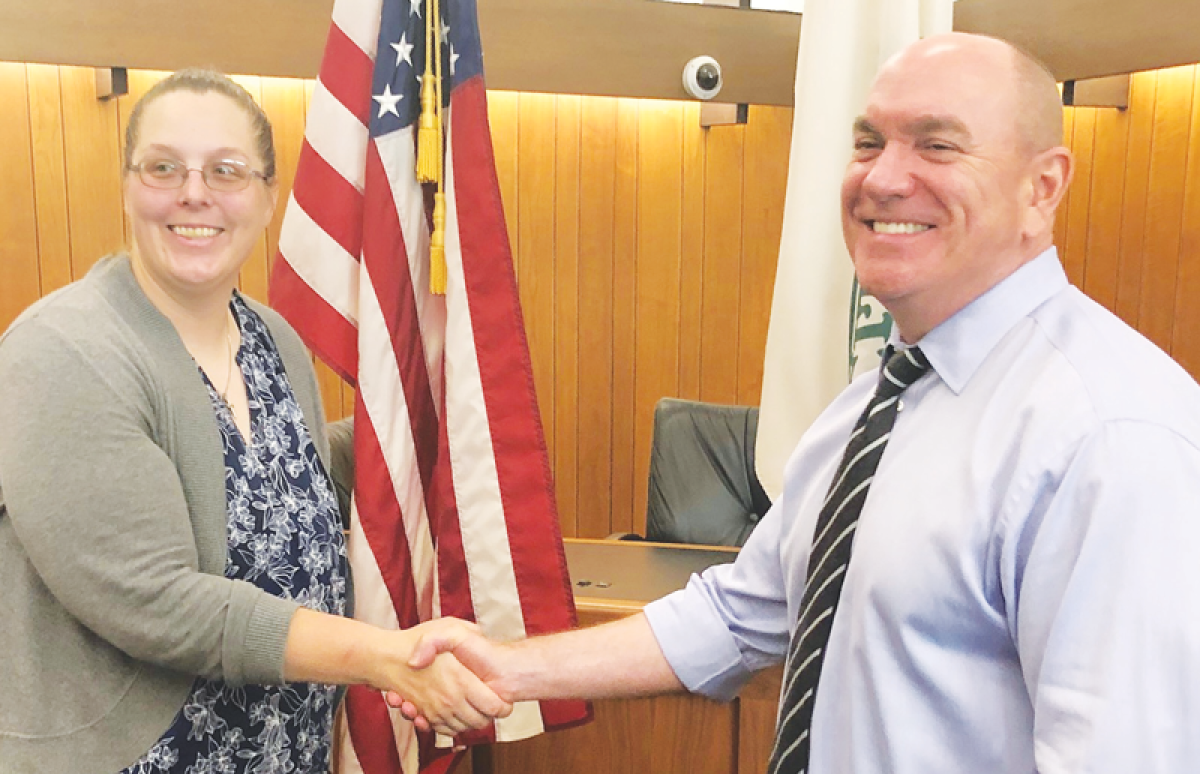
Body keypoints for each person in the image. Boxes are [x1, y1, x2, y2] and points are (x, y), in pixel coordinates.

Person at [398, 33, 1200, 772]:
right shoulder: (880, 398)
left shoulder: (1109, 433)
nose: (884, 177)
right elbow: (743, 614)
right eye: (867, 142)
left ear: (1042, 187)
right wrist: (506, 665)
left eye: (937, 144)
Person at [0, 69, 506, 774]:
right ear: (127, 186)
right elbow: (158, 602)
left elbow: (268, 482)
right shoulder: (65, 350)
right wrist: (386, 659)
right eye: (164, 166)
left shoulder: (272, 339)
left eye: (226, 171)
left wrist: (415, 423)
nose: (194, 192)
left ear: (268, 197)